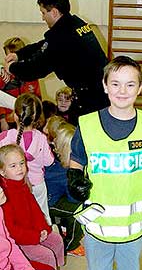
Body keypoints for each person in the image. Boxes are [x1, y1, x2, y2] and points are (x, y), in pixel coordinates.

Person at [68, 56, 142, 270]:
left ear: (140, 87)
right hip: (98, 223)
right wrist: (74, 177)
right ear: (105, 86)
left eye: (130, 84)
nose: (122, 91)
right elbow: (77, 158)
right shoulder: (87, 124)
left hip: (133, 225)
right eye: (115, 84)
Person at [4, 0, 110, 126]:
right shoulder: (75, 23)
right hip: (101, 91)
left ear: (54, 12)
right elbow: (45, 44)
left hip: (92, 99)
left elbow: (35, 69)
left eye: (43, 13)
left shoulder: (62, 37)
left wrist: (11, 67)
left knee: (82, 138)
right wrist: (19, 54)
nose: (42, 17)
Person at [0, 144, 64, 269]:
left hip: (33, 233)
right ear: (2, 172)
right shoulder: (4, 196)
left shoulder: (23, 185)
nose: (20, 168)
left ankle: (57, 266)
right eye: (13, 166)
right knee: (46, 255)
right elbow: (11, 231)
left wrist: (43, 228)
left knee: (57, 240)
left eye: (22, 163)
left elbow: (36, 211)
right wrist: (35, 237)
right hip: (20, 241)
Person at [0, 93, 54, 225]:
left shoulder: (4, 137)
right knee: (43, 216)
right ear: (37, 117)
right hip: (38, 184)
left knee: (19, 218)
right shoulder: (41, 138)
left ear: (15, 115)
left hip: (13, 187)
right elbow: (49, 161)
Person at [44, 117, 85, 257]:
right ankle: (71, 244)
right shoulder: (65, 171)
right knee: (78, 211)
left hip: (52, 194)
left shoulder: (53, 157)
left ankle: (65, 228)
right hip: (49, 202)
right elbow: (73, 198)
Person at [0, 37, 41, 131]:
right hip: (8, 121)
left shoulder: (31, 75)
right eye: (6, 56)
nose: (7, 61)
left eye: (10, 58)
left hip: (27, 120)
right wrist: (2, 120)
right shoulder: (3, 76)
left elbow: (37, 98)